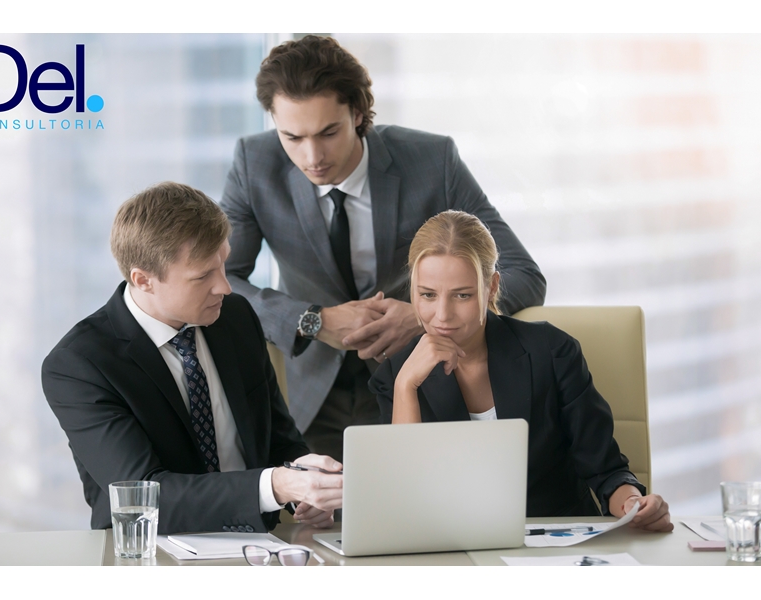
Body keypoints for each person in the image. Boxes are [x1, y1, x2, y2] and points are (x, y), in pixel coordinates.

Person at [221, 35, 546, 462]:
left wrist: (423, 316)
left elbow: (524, 274)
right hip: (310, 397)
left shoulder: (432, 160)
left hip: (421, 384)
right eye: (292, 137)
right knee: (317, 503)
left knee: (419, 498)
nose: (312, 156)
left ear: (358, 114)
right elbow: (220, 279)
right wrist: (311, 320)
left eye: (328, 132)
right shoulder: (254, 163)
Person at [42, 182, 342, 535]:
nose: (225, 287)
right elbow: (143, 498)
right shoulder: (79, 365)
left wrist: (304, 484)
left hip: (260, 545)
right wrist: (277, 486)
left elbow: (278, 440)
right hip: (150, 552)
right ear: (144, 280)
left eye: (223, 264)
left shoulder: (235, 316)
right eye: (202, 276)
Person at [369, 210, 673, 529]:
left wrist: (633, 504)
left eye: (462, 295)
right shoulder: (395, 377)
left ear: (491, 288)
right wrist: (406, 386)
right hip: (450, 543)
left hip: (554, 542)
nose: (442, 315)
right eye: (428, 295)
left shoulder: (552, 352)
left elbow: (606, 470)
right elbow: (403, 500)